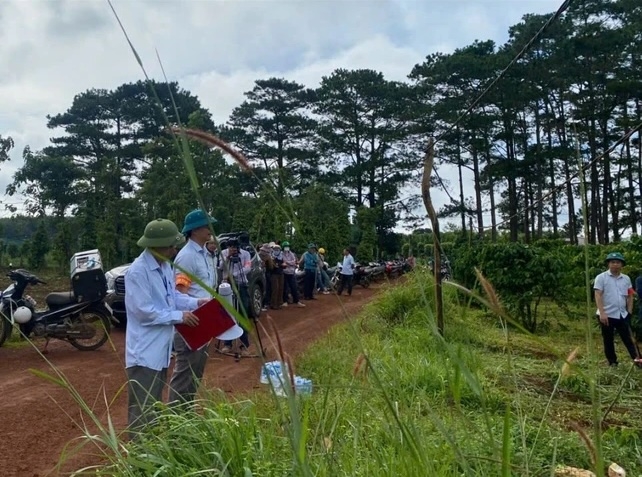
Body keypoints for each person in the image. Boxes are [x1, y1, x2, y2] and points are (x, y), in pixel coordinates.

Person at [124, 218, 208, 435]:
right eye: (171, 245)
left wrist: (195, 303)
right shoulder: (137, 272)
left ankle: (152, 452)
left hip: (160, 350)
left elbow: (172, 299)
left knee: (153, 405)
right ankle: (140, 456)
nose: (174, 249)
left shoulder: (164, 266)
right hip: (144, 352)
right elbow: (144, 312)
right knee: (143, 409)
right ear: (156, 245)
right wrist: (180, 316)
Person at [168, 209, 218, 405]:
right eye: (207, 226)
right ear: (195, 230)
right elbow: (180, 292)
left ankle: (186, 413)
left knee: (196, 373)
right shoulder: (187, 256)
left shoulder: (204, 254)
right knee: (185, 373)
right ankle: (176, 416)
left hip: (204, 320)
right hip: (191, 322)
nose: (210, 230)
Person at [594, 252, 639, 367]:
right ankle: (612, 361)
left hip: (622, 314)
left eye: (618, 262)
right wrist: (602, 313)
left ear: (621, 265)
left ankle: (638, 360)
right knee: (608, 340)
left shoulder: (626, 279)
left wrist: (629, 311)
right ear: (608, 264)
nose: (615, 265)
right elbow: (598, 295)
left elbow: (630, 295)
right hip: (607, 315)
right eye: (612, 262)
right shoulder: (601, 278)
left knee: (629, 339)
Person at [219, 237, 252, 354]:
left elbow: (248, 267)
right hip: (227, 286)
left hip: (241, 284)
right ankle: (227, 343)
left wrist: (234, 274)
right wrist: (227, 257)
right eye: (231, 247)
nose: (233, 249)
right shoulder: (223, 253)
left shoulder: (246, 254)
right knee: (228, 313)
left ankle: (244, 345)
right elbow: (221, 267)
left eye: (235, 247)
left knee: (242, 314)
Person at [282, 241, 305, 307]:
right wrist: (290, 263)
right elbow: (284, 261)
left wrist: (288, 263)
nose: (287, 248)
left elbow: (294, 261)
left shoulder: (291, 254)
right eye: (285, 247)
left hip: (291, 273)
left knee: (294, 287)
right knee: (285, 288)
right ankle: (285, 301)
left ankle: (297, 301)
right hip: (285, 273)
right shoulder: (281, 254)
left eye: (287, 246)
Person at [258, 243, 274, 311]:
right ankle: (266, 304)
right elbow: (271, 266)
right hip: (266, 273)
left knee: (260, 288)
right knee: (267, 288)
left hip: (257, 273)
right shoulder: (267, 256)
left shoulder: (258, 254)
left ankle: (260, 304)